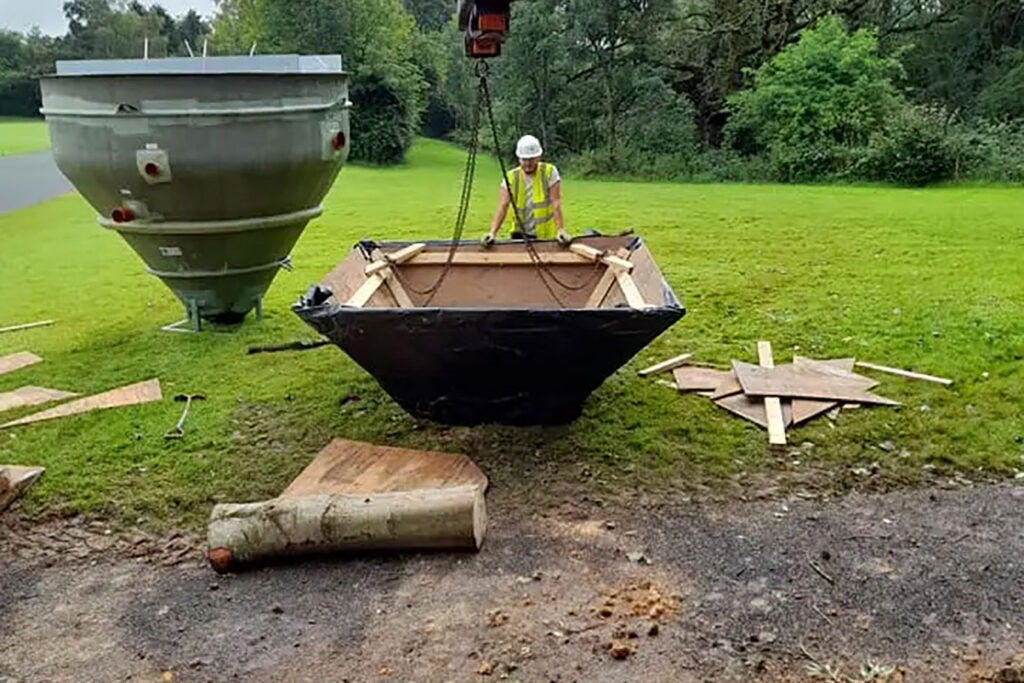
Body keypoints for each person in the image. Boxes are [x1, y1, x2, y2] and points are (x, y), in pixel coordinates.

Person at [482, 135, 569, 246]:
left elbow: (555, 202)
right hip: (520, 233)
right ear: (519, 158)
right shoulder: (511, 177)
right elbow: (503, 206)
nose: (528, 163)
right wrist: (492, 233)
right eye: (524, 160)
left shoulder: (549, 172)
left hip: (545, 234)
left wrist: (560, 229)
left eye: (531, 159)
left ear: (538, 157)